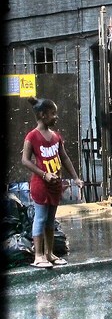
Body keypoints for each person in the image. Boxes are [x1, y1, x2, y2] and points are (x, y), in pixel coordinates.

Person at [21, 96, 84, 268]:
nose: (56, 117)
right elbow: (25, 161)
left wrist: (76, 177)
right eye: (53, 113)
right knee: (40, 219)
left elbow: (64, 157)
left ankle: (49, 253)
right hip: (41, 186)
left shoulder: (56, 136)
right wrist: (43, 174)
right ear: (42, 115)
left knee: (50, 220)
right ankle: (38, 255)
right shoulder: (32, 136)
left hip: (55, 186)